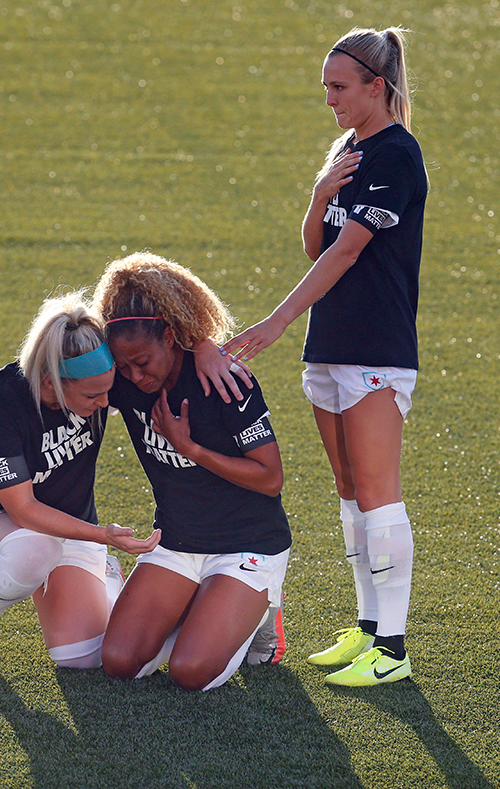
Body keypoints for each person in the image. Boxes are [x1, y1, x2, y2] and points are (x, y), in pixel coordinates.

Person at [223, 26, 427, 686]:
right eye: (325, 89)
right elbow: (319, 241)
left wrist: (280, 319)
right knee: (348, 490)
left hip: (375, 346)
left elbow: (348, 251)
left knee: (377, 492)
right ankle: (366, 627)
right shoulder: (348, 148)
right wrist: (319, 193)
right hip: (332, 346)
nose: (330, 100)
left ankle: (392, 649)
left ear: (377, 86)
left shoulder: (397, 155)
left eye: (339, 88)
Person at [95, 252, 292, 691]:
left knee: (190, 672)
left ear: (170, 336)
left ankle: (261, 610)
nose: (133, 375)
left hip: (248, 544)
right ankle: (201, 607)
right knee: (119, 661)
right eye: (122, 365)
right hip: (177, 543)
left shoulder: (222, 378)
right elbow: (71, 355)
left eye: (141, 361)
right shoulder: (124, 379)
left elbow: (269, 478)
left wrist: (190, 447)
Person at [0, 292, 161, 671]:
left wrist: (209, 351)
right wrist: (103, 536)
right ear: (51, 381)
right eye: (94, 395)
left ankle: (107, 577)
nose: (106, 402)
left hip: (72, 528)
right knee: (34, 552)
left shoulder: (98, 380)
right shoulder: (0, 401)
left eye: (109, 390)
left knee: (82, 658)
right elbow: (22, 509)